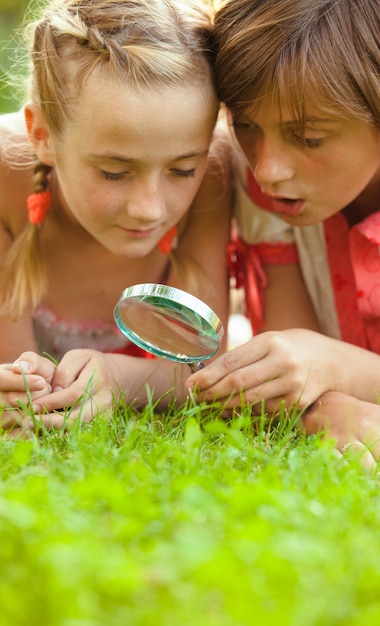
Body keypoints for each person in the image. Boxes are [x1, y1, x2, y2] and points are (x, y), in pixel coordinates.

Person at [187, 0, 380, 473]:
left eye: (309, 138)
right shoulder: (258, 186)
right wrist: (326, 404)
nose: (267, 169)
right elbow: (289, 357)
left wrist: (335, 366)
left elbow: (311, 355)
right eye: (246, 126)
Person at [0, 0, 231, 433]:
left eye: (183, 170)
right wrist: (20, 386)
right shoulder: (3, 176)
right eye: (114, 172)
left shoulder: (214, 178)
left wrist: (120, 379)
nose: (150, 208)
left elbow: (208, 366)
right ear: (42, 136)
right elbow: (11, 374)